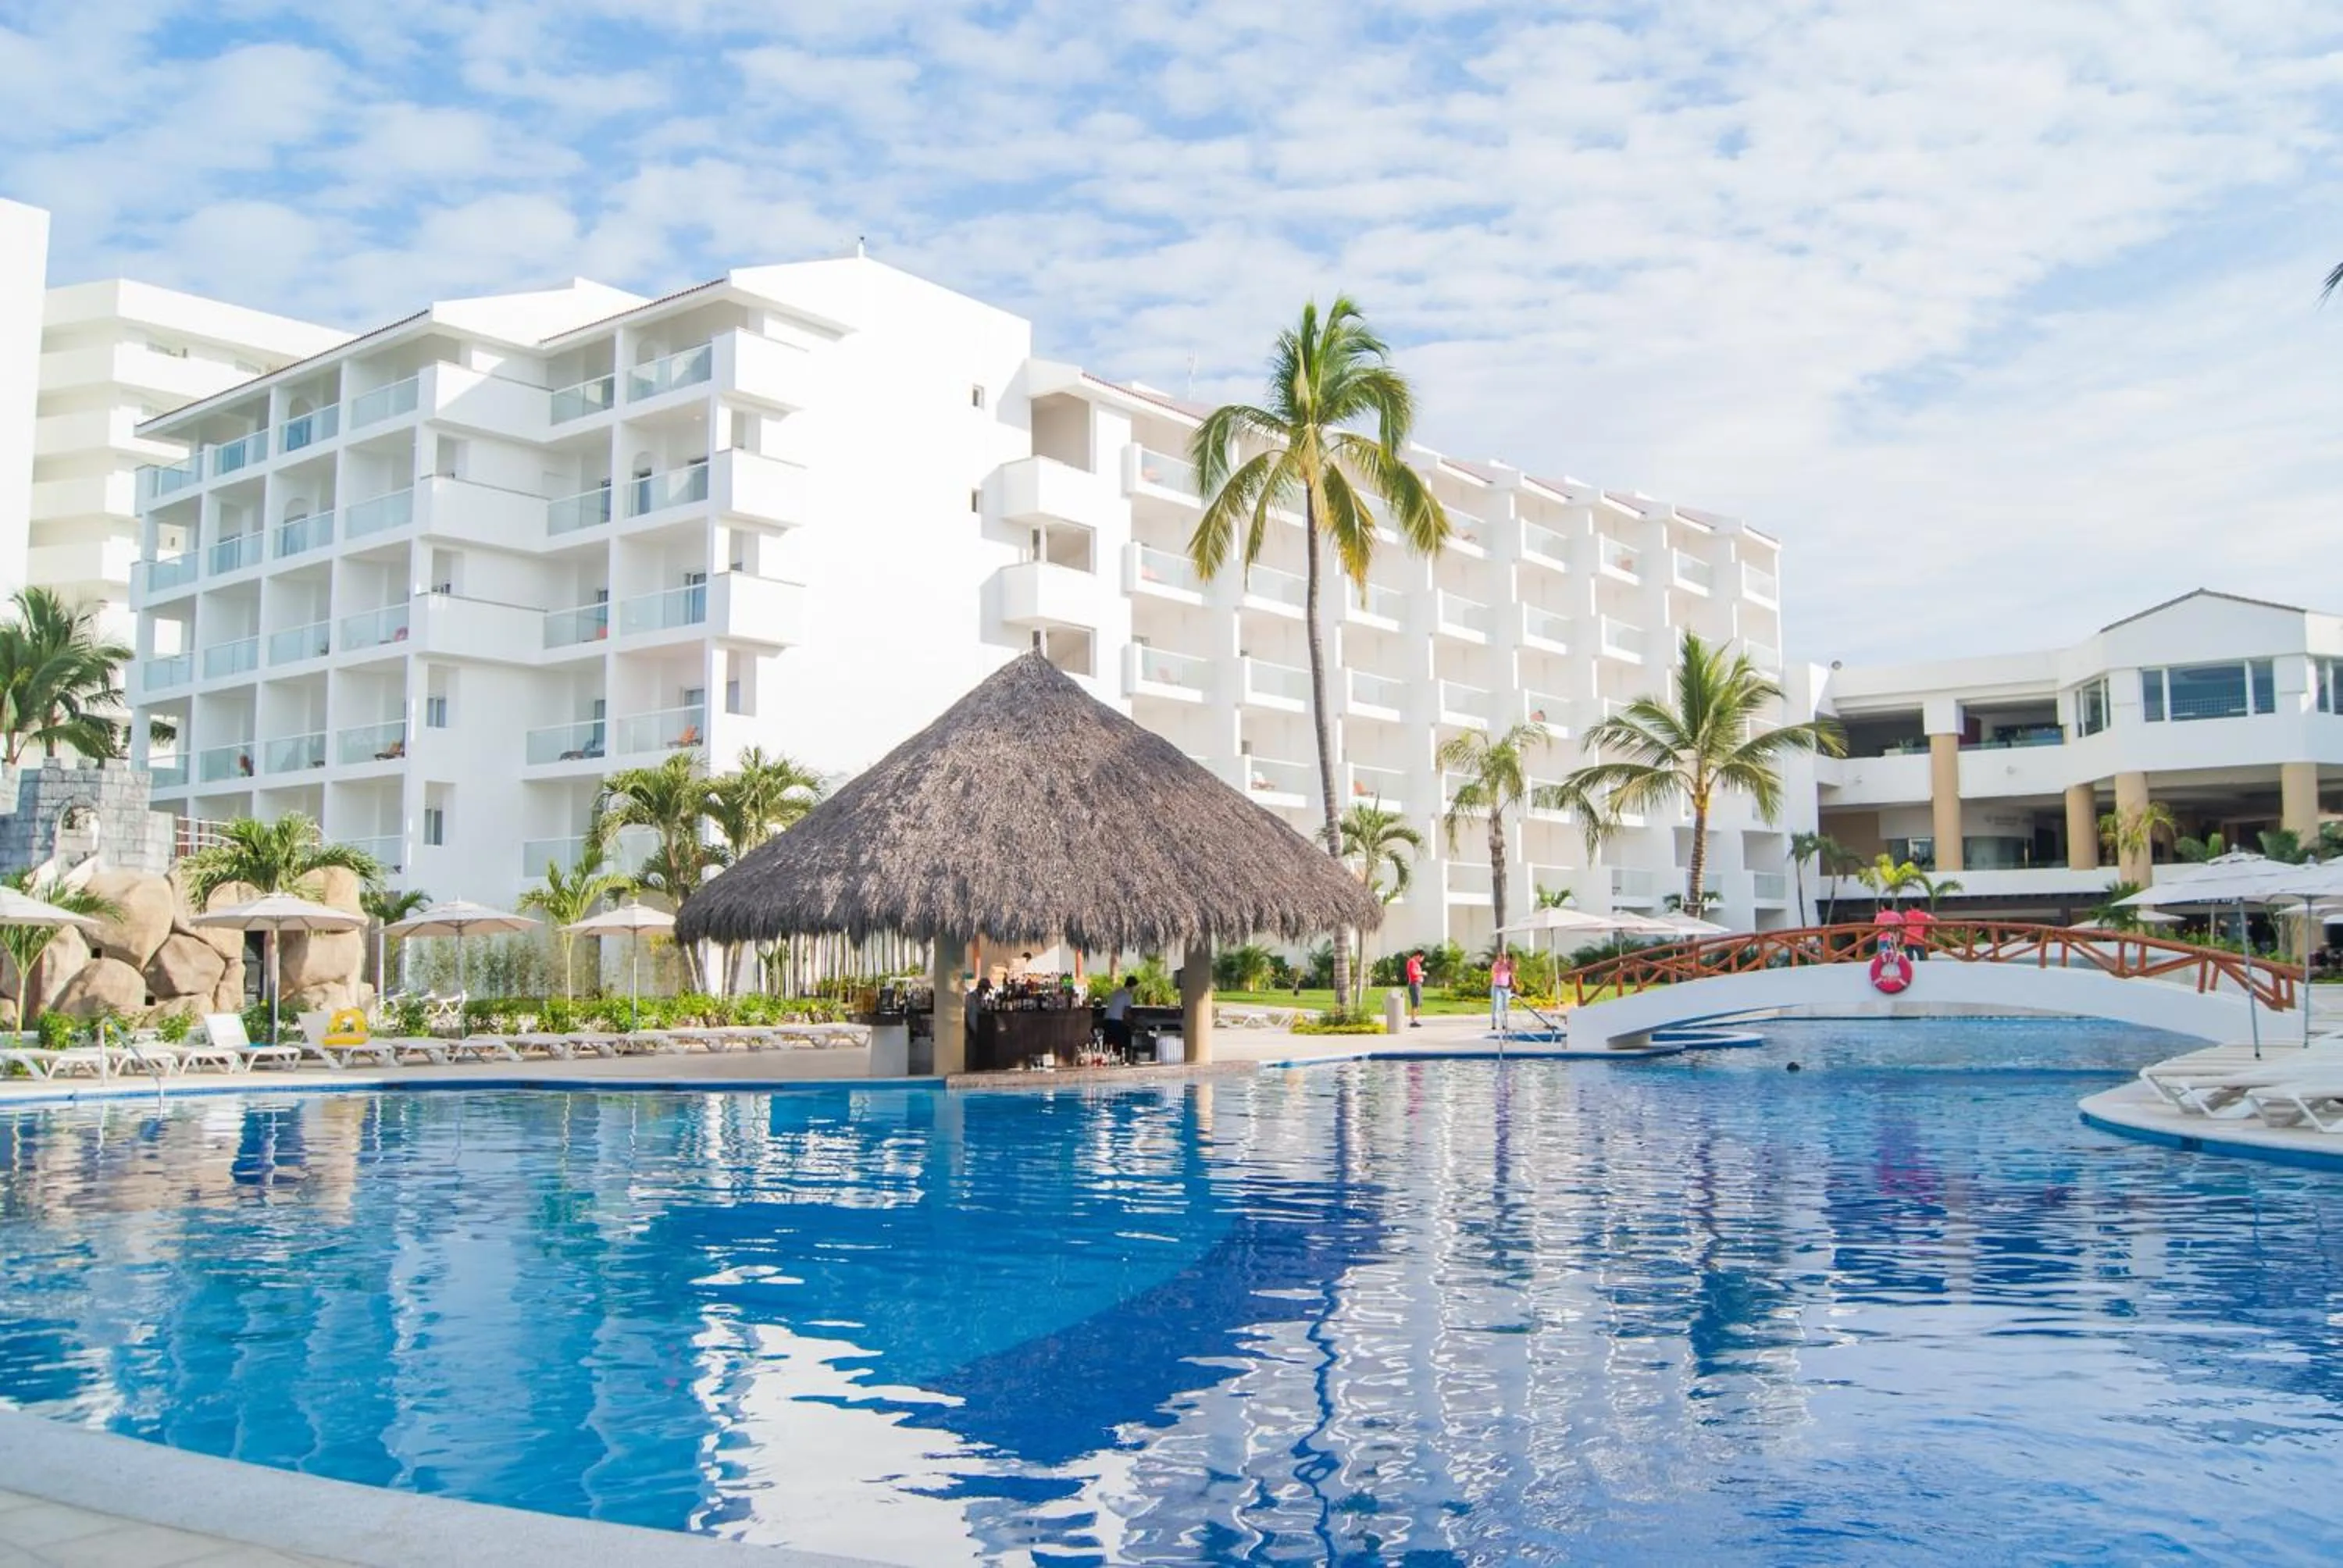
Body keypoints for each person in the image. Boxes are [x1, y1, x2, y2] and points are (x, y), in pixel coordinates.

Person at [1103, 975, 1136, 1059]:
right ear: (1132, 986)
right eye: (1135, 988)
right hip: (1117, 1023)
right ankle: (1124, 1060)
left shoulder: (1116, 992)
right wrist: (1134, 1024)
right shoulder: (1127, 995)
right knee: (1120, 1046)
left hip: (1107, 1021)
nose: (1135, 990)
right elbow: (1126, 1014)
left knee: (1109, 1047)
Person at [1489, 952, 1515, 1033]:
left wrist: (1511, 963)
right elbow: (1495, 971)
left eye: (1503, 958)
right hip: (1496, 987)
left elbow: (1513, 970)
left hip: (1506, 988)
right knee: (1496, 1005)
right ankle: (1494, 1023)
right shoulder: (1496, 965)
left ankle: (1504, 1023)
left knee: (1505, 1006)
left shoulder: (1508, 965)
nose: (1501, 959)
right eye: (1500, 957)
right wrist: (1505, 965)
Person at [1404, 950, 1425, 1028]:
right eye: (1422, 958)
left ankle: (1415, 1020)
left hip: (1418, 984)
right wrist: (1422, 973)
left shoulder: (1416, 963)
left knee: (1418, 1003)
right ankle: (1413, 1021)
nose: (1422, 960)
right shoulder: (1412, 962)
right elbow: (1413, 973)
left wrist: (1421, 977)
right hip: (1414, 984)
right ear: (1419, 956)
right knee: (1415, 1003)